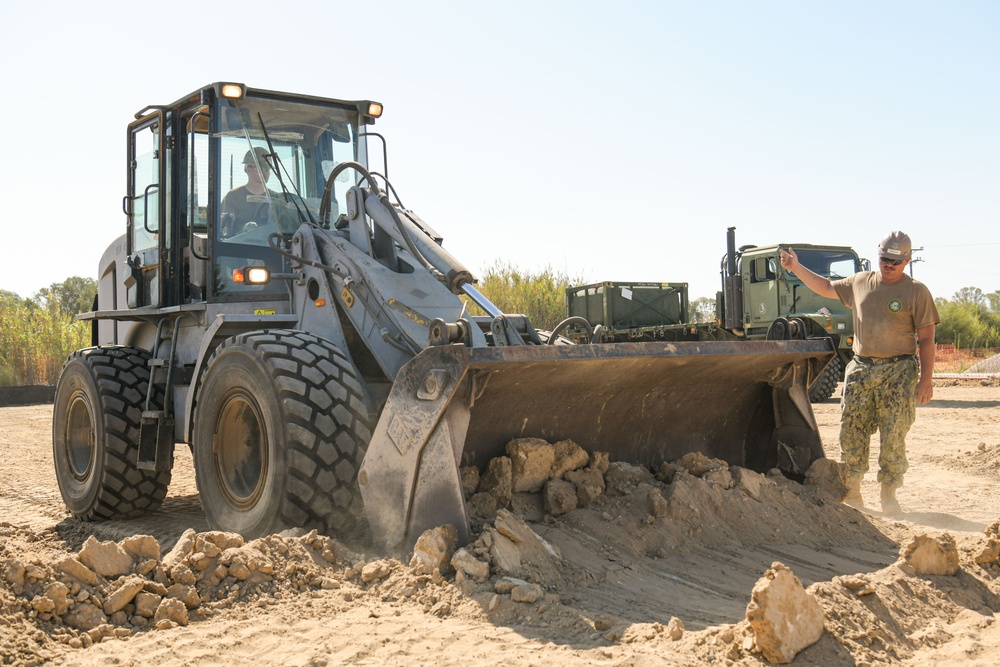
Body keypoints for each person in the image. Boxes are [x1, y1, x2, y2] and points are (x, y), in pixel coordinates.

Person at [779, 231, 939, 514]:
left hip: (899, 370)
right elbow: (826, 287)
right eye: (884, 259)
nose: (888, 264)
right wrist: (795, 267)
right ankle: (852, 492)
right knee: (851, 432)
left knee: (893, 434)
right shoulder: (861, 281)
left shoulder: (917, 292)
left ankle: (889, 494)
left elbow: (926, 339)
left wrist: (926, 381)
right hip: (861, 368)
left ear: (907, 261)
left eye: (895, 261)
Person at [220, 146, 275, 238]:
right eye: (262, 168)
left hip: (270, 248)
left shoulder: (276, 198)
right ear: (248, 168)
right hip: (240, 248)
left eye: (268, 169)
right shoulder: (233, 197)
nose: (266, 172)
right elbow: (225, 232)